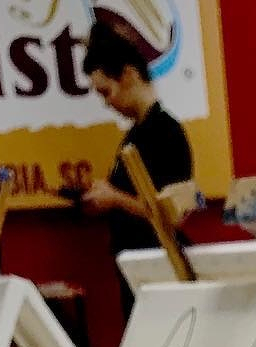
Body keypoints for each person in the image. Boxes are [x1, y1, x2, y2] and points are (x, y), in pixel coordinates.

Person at [78, 17, 194, 312]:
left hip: (162, 270)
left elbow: (174, 216)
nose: (107, 103)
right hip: (134, 269)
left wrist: (115, 198)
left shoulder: (167, 133)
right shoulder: (133, 136)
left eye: (106, 92)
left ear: (128, 76)